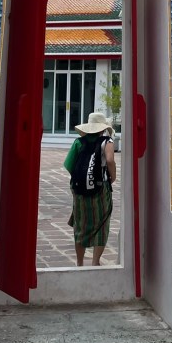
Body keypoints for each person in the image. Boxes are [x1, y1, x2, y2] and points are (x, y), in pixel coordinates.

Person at [63, 110, 117, 266]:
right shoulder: (107, 141)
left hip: (79, 190)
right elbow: (110, 160)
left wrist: (81, 177)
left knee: (80, 224)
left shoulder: (78, 142)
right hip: (101, 189)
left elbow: (69, 165)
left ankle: (79, 263)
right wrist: (113, 176)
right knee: (102, 223)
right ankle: (95, 262)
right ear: (103, 128)